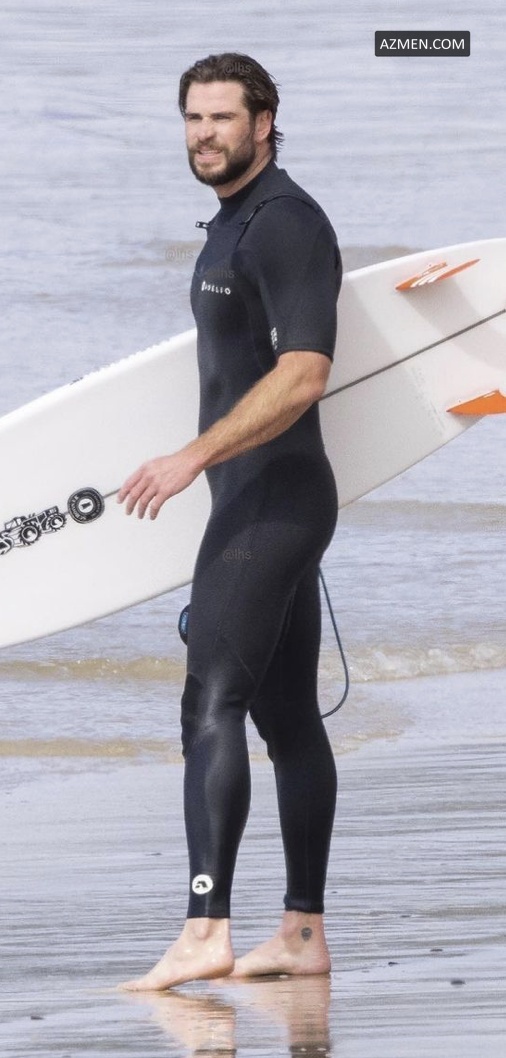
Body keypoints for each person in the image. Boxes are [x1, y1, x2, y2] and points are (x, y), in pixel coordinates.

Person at [117, 52, 342, 990]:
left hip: (272, 500)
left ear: (265, 121)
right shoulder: (230, 226)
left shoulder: (285, 224)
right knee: (286, 715)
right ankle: (301, 934)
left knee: (210, 701)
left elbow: (305, 372)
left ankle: (206, 926)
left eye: (222, 117)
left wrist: (191, 456)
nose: (204, 134)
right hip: (267, 498)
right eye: (192, 118)